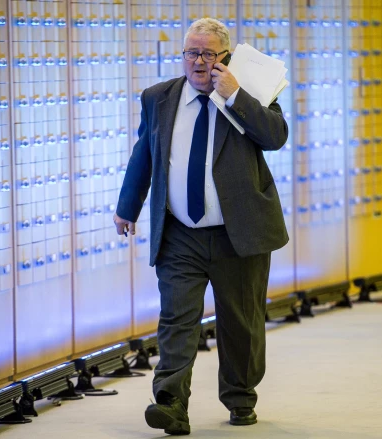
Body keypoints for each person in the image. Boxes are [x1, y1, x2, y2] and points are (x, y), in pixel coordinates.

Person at [113, 17, 289, 435]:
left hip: (238, 233)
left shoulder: (253, 92)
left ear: (225, 58)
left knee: (241, 322)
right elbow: (145, 155)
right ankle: (171, 402)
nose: (198, 61)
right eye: (192, 52)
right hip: (180, 234)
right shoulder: (159, 98)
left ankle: (241, 397)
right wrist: (127, 208)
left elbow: (276, 136)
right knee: (176, 318)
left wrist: (236, 98)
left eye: (208, 53)